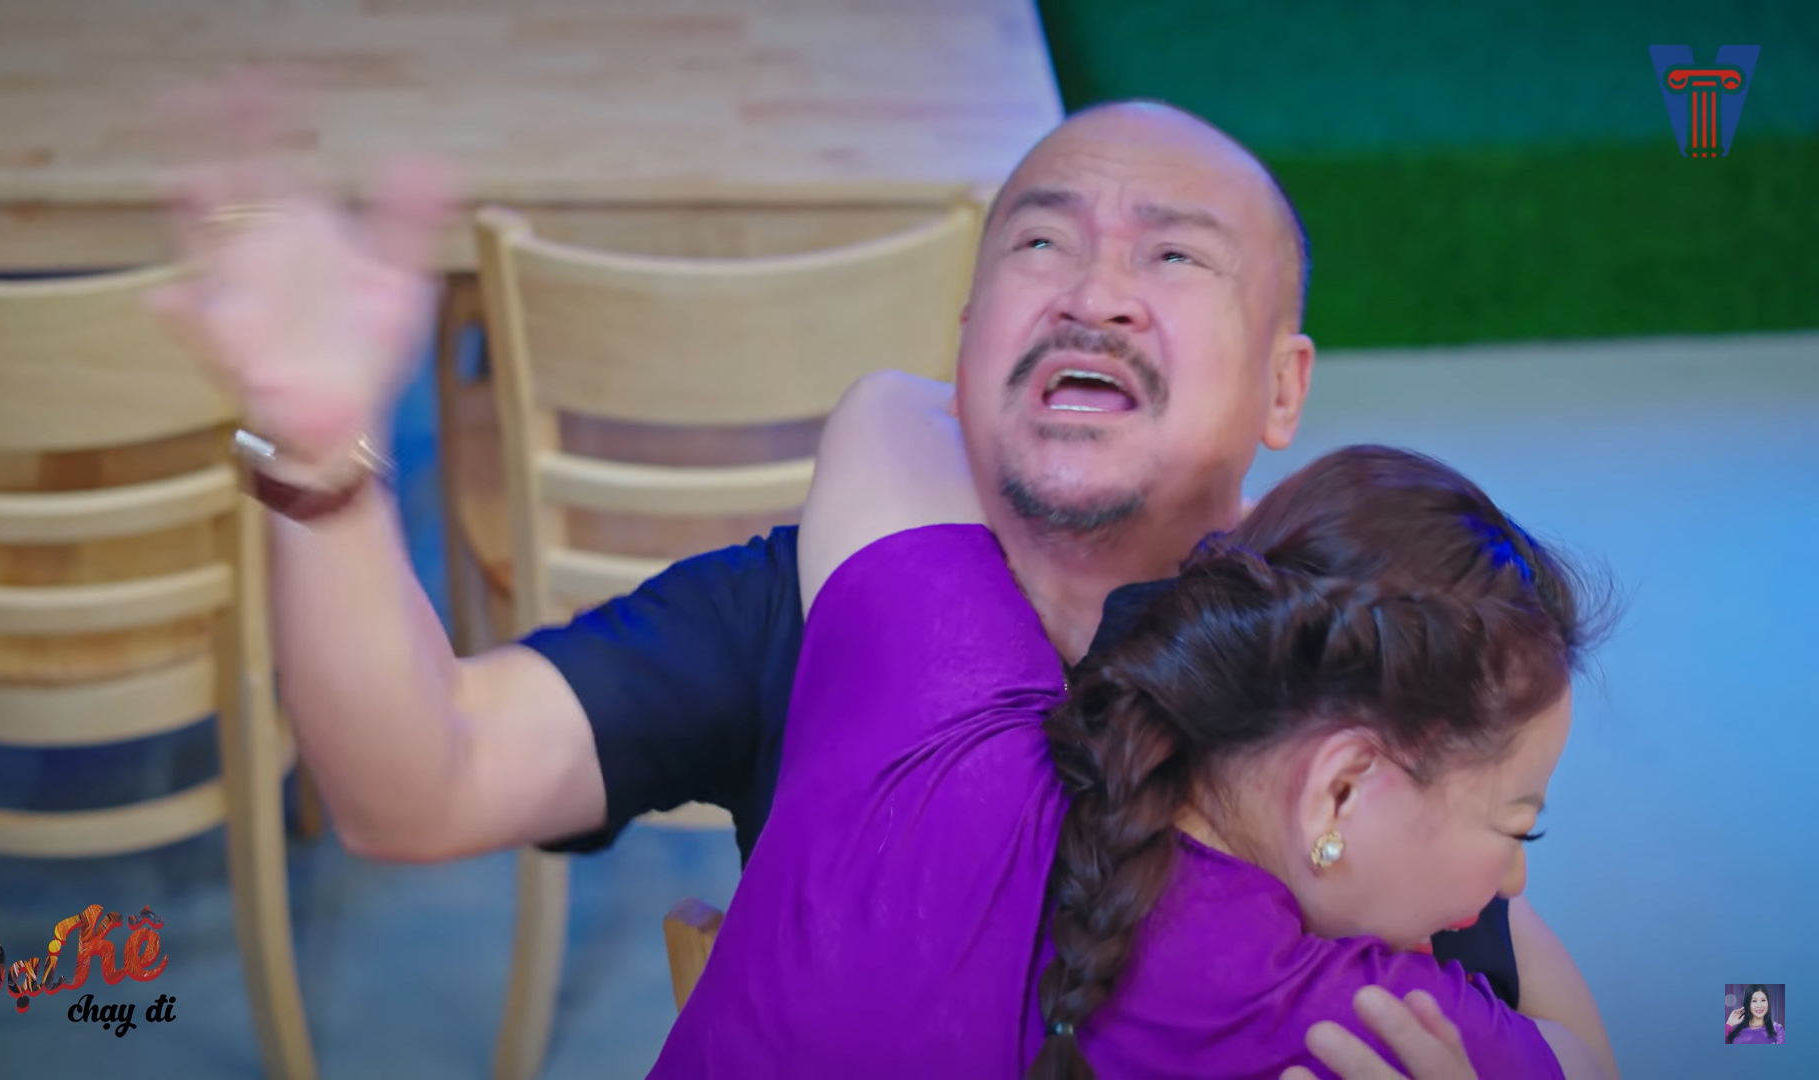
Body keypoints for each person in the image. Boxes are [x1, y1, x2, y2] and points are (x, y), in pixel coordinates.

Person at [149, 78, 1607, 1072]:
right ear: (967, 340)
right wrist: (319, 472)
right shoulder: (803, 606)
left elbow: (1520, 966)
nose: (1096, 289)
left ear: (1286, 387)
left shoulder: (1340, 688)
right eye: (1043, 241)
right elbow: (417, 784)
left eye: (1175, 258)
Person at [648, 368, 1618, 1078]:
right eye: (1516, 827)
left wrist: (1155, 540)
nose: (1513, 881)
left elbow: (891, 408)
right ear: (1339, 789)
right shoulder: (1368, 1029)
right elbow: (1587, 1059)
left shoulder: (950, 708)